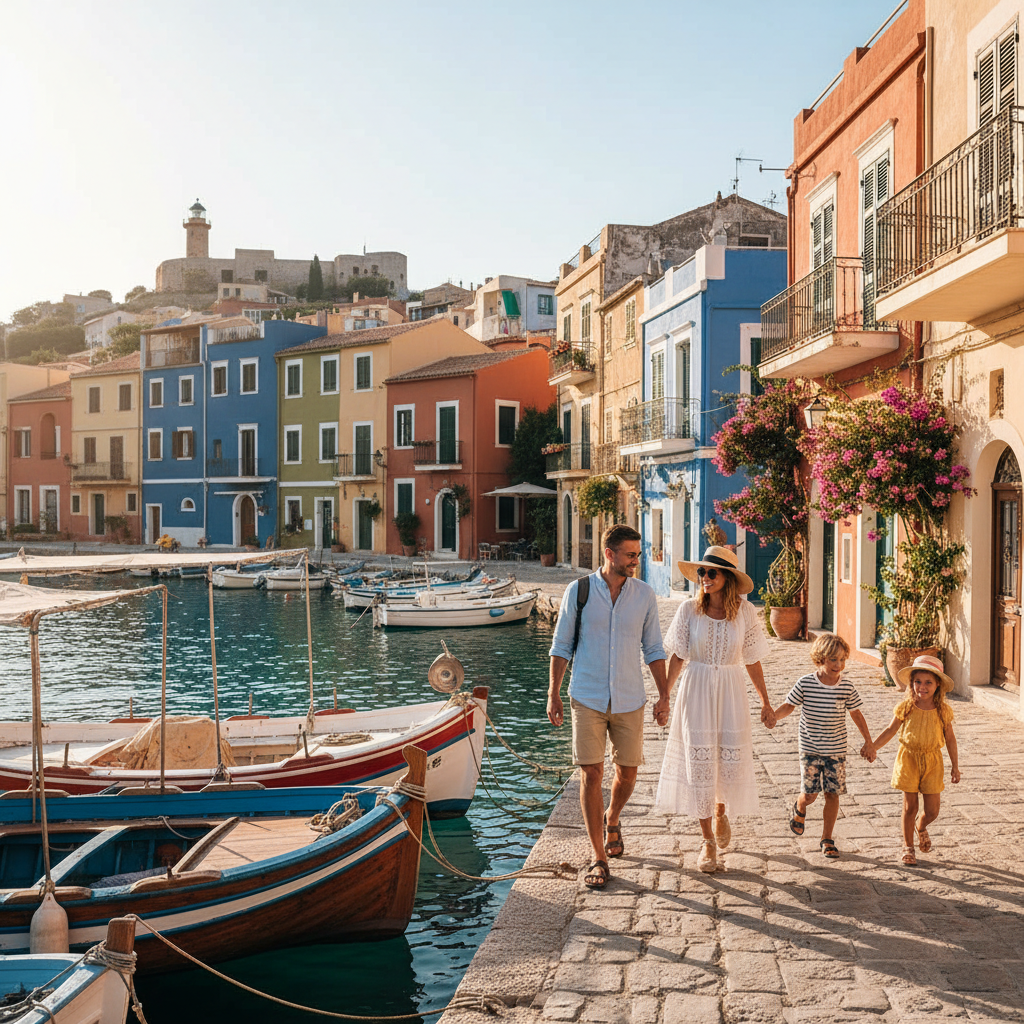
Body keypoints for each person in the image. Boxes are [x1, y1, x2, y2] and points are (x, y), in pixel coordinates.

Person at [548, 525, 668, 891]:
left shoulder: (645, 595)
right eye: (630, 554)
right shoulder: (579, 591)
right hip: (586, 695)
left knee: (628, 774)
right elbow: (561, 644)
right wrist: (553, 692)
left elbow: (654, 649)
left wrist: (664, 696)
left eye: (637, 555)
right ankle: (598, 856)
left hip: (630, 697)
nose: (636, 561)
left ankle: (612, 816)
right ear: (609, 553)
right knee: (591, 774)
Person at [654, 545, 775, 873]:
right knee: (699, 763)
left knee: (726, 760)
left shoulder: (746, 613)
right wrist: (664, 696)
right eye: (701, 573)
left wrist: (765, 701)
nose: (704, 578)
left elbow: (752, 659)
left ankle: (720, 810)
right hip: (696, 689)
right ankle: (707, 842)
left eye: (711, 573)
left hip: (731, 691)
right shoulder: (688, 611)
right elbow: (677, 655)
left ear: (728, 578)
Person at [770, 633, 874, 859]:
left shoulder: (846, 686)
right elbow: (789, 706)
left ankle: (827, 838)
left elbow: (856, 714)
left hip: (836, 751)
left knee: (833, 795)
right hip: (810, 749)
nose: (839, 665)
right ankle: (800, 806)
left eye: (843, 660)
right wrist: (774, 717)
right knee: (810, 795)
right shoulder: (806, 683)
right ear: (821, 659)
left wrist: (868, 741)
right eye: (833, 660)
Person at [866, 654, 960, 865]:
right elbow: (890, 730)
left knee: (933, 810)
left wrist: (955, 766)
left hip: (933, 761)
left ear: (938, 685)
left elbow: (951, 739)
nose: (922, 687)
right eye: (918, 681)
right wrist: (873, 746)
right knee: (910, 807)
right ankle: (908, 846)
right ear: (912, 683)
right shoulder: (906, 707)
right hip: (908, 759)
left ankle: (921, 826)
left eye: (928, 682)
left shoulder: (943, 711)